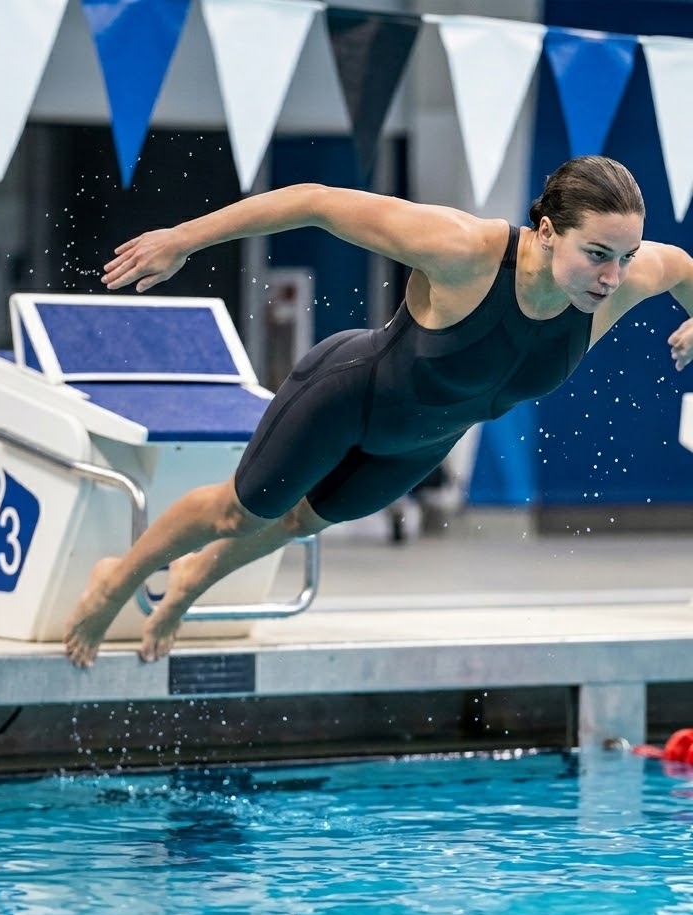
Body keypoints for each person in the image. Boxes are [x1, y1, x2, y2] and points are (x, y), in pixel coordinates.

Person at [64, 156, 693, 668]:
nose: (614, 276)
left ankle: (183, 592)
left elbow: (685, 268)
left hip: (420, 443)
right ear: (549, 231)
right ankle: (116, 580)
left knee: (296, 524)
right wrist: (182, 239)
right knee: (240, 510)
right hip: (348, 396)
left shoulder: (622, 283)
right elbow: (314, 200)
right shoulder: (463, 249)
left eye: (626, 257)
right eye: (599, 253)